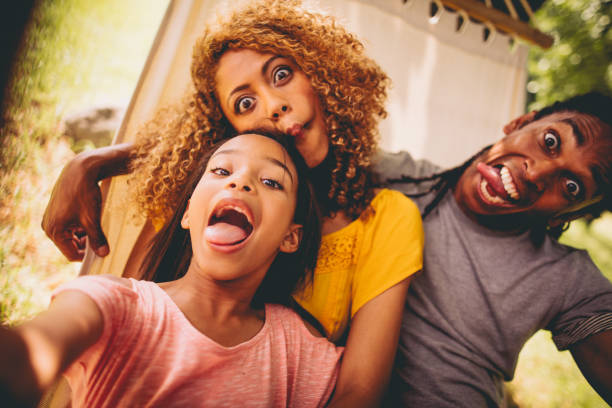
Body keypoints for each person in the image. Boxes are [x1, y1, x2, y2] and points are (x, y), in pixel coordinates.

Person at [41, 0, 424, 405]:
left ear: (321, 71)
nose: (273, 105)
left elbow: (358, 394)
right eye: (245, 103)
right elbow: (129, 319)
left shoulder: (387, 219)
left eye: (282, 74)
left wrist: (94, 161)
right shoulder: (207, 196)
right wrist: (88, 162)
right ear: (231, 130)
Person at [1, 132, 345, 408]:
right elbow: (32, 351)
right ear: (188, 212)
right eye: (222, 171)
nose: (240, 182)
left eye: (271, 182)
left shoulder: (295, 350)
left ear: (290, 236)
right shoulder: (117, 305)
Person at [376, 92, 612, 407]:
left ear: (568, 214)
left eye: (572, 187)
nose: (536, 172)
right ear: (521, 122)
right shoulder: (393, 178)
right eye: (551, 141)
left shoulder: (566, 279)